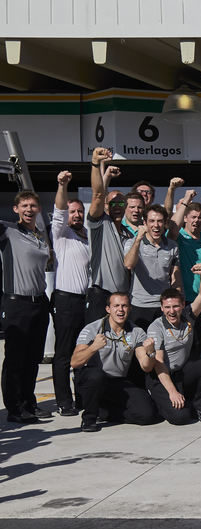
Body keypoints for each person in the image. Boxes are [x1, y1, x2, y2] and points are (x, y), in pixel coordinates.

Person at [0, 190, 53, 423]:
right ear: (16, 209)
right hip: (17, 303)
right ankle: (14, 408)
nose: (29, 209)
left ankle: (29, 403)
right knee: (15, 359)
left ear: (39, 209)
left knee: (33, 357)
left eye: (33, 205)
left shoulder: (40, 236)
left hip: (39, 302)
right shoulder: (8, 231)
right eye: (24, 206)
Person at [71, 292, 159, 431]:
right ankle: (89, 419)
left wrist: (151, 352)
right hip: (92, 380)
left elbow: (146, 366)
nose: (120, 310)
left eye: (124, 306)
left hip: (117, 381)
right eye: (116, 306)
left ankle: (104, 411)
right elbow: (75, 362)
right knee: (95, 376)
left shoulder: (137, 332)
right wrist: (93, 347)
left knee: (147, 415)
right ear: (108, 309)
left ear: (129, 308)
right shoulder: (92, 328)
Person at [145, 264, 201, 424]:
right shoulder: (156, 327)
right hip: (161, 376)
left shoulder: (187, 316)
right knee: (181, 418)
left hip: (182, 372)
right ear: (162, 308)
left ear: (183, 305)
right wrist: (172, 392)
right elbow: (158, 364)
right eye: (167, 307)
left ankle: (200, 407)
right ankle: (160, 401)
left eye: (175, 306)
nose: (172, 311)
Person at [50, 170, 89, 417]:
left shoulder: (85, 238)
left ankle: (83, 397)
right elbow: (59, 212)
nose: (76, 215)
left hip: (84, 302)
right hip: (65, 299)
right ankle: (64, 401)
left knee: (83, 353)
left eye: (79, 212)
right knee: (64, 354)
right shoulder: (61, 234)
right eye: (73, 211)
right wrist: (63, 185)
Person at [85, 148, 132, 322]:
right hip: (101, 296)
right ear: (106, 206)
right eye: (112, 203)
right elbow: (98, 195)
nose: (117, 206)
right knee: (96, 345)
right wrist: (96, 164)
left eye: (121, 202)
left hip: (123, 299)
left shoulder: (128, 233)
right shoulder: (100, 224)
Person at [124, 204, 180, 330]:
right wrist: (138, 239)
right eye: (152, 221)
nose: (156, 225)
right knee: (140, 347)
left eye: (160, 221)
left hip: (163, 305)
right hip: (139, 305)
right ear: (144, 223)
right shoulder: (132, 242)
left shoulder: (173, 246)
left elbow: (176, 277)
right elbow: (128, 264)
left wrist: (178, 301)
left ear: (165, 223)